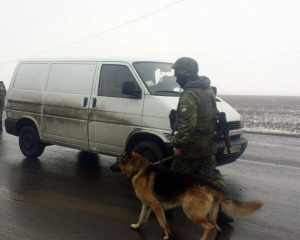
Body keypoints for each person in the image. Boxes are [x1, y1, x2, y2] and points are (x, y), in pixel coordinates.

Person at [170, 57, 232, 222]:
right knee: (213, 177)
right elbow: (213, 114)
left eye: (177, 74)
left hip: (191, 147)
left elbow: (188, 125)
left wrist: (177, 143)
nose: (176, 78)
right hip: (207, 144)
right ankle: (225, 210)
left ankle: (165, 208)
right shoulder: (208, 90)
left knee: (175, 178)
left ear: (185, 74)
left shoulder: (189, 95)